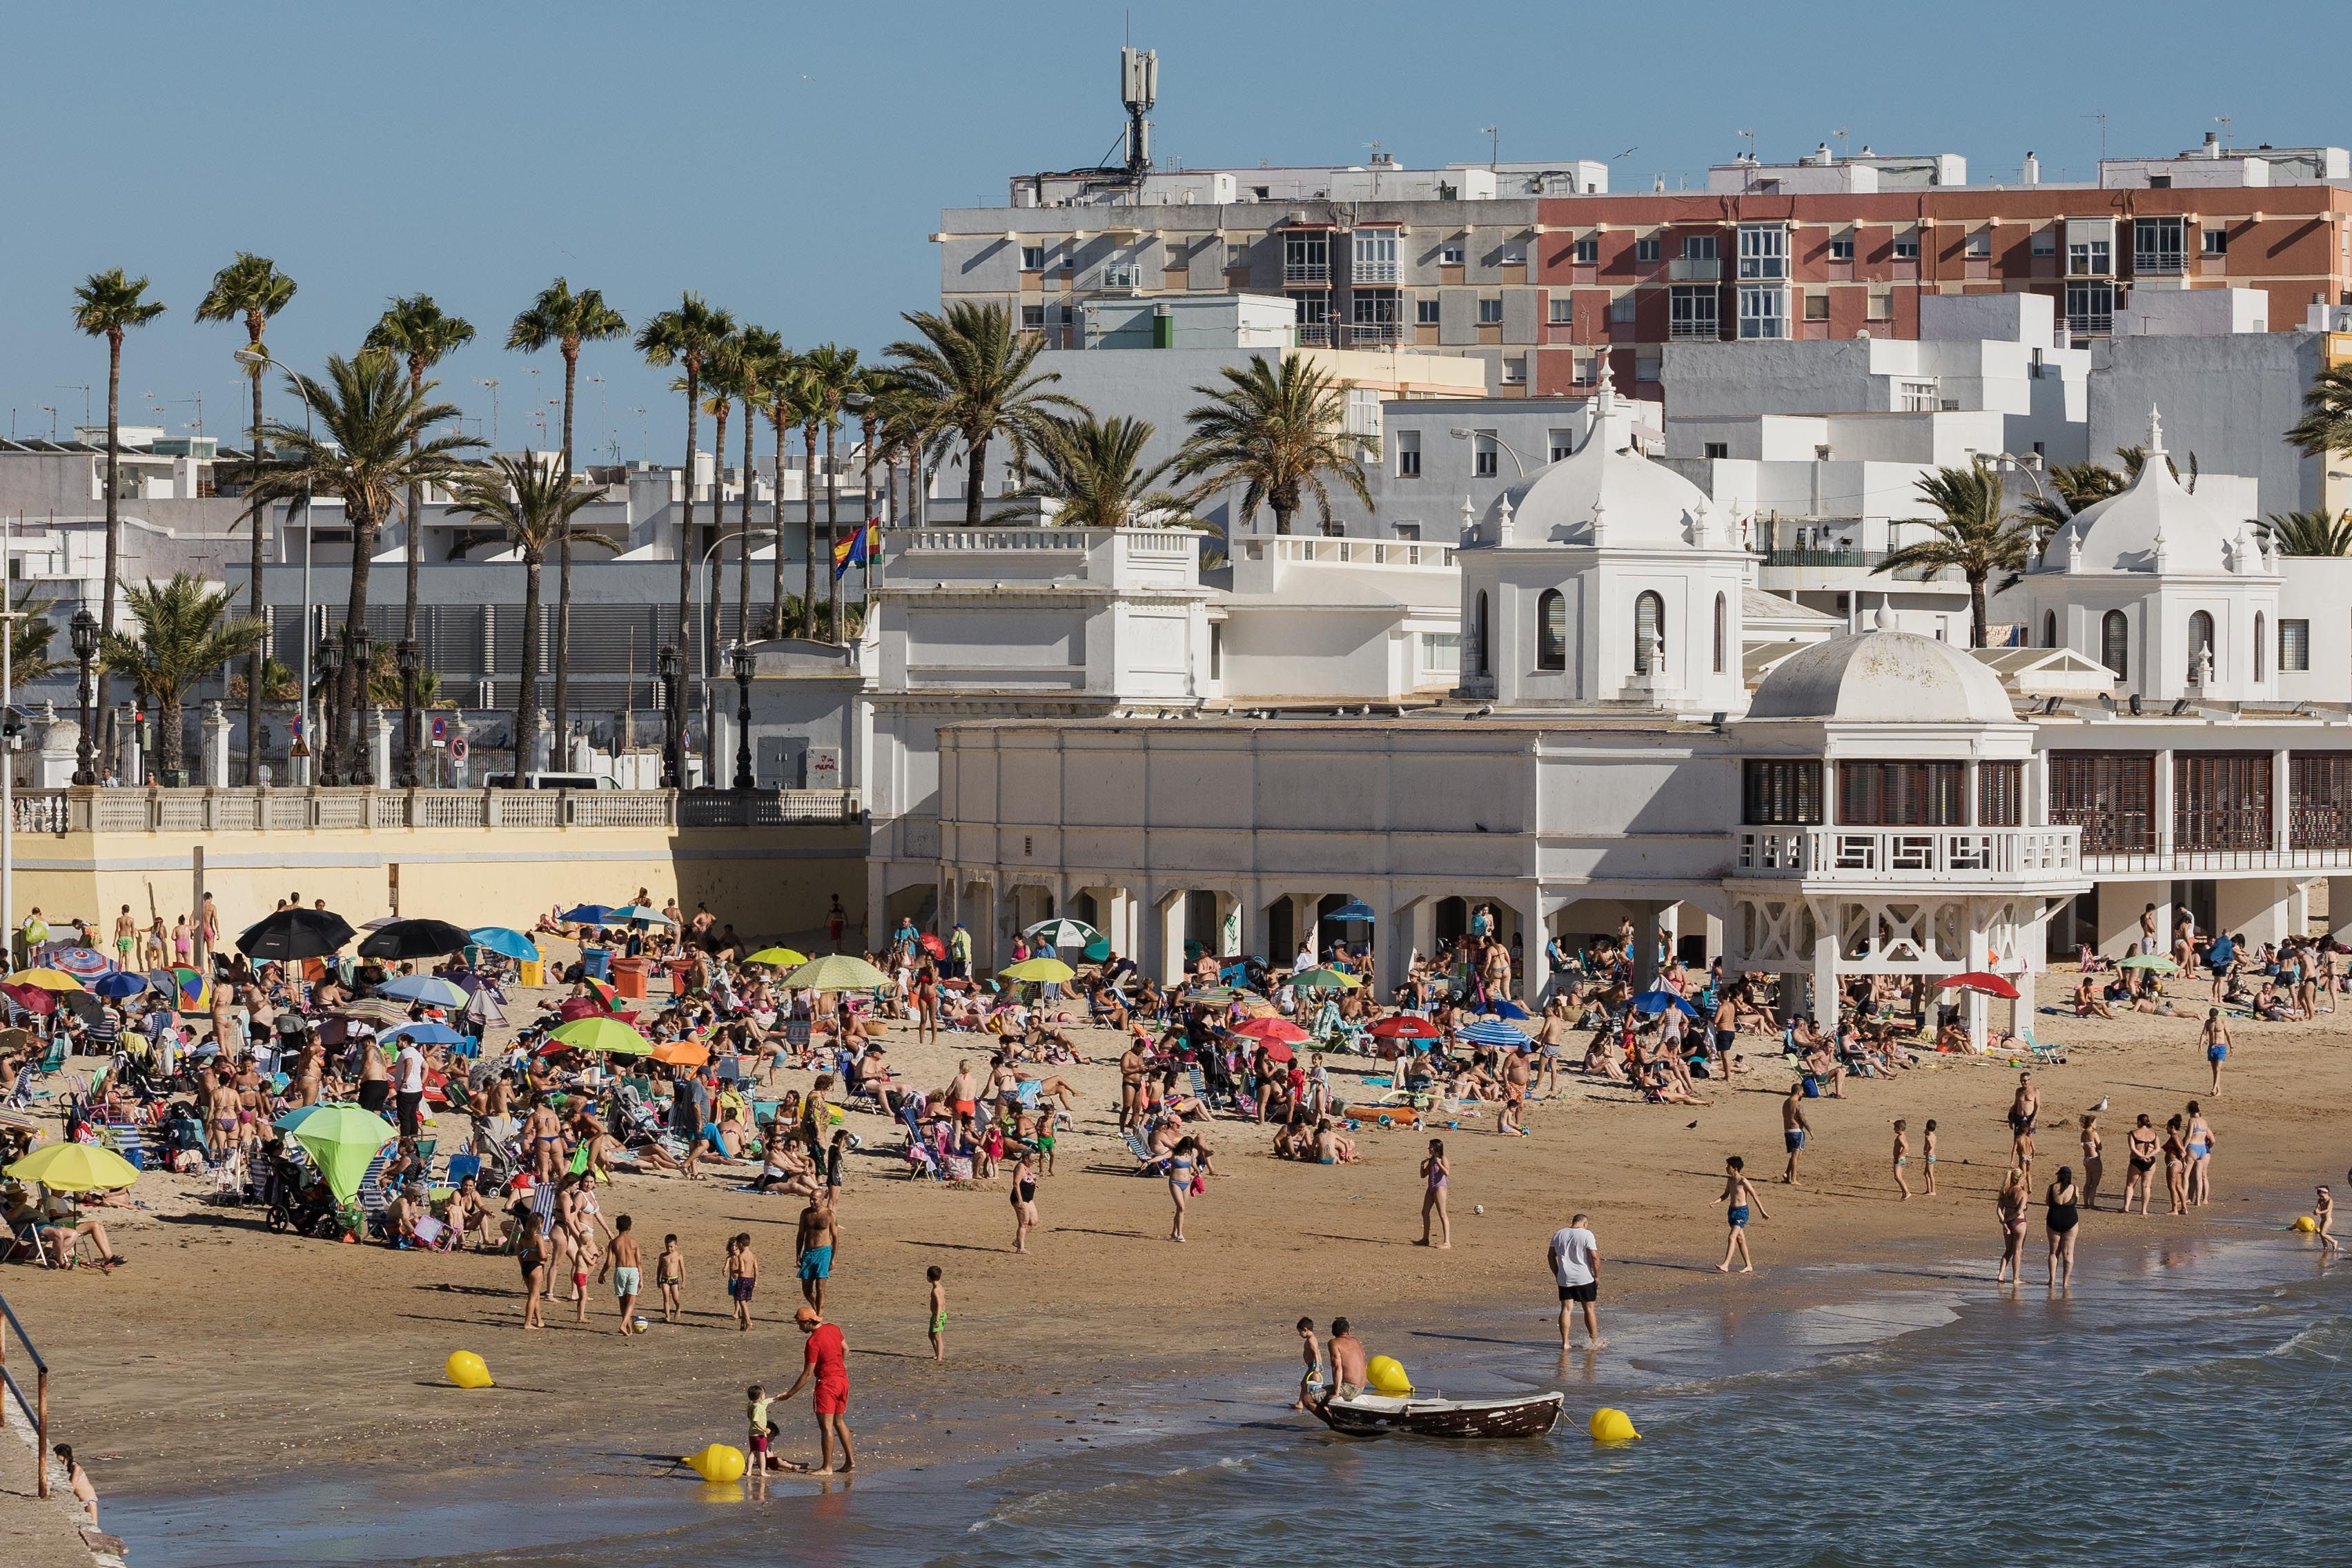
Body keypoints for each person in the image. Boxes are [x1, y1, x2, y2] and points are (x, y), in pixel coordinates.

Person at [781, 1304, 854, 1474]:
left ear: (808, 1322)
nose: (799, 1327)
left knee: (826, 1427)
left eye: (800, 1324)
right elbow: (846, 1349)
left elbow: (807, 1374)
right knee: (839, 1421)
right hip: (842, 1380)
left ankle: (827, 1467)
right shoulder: (833, 1328)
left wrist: (790, 1393)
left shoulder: (813, 1342)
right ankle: (850, 1461)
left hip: (827, 1385)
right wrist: (836, 1365)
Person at [1548, 1213, 1603, 1350]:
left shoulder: (1559, 1234)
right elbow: (1595, 1257)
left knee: (1566, 1309)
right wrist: (1597, 1276)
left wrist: (1557, 1273)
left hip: (1565, 1278)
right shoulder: (1587, 1234)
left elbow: (1550, 1256)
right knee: (1589, 1309)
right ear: (1585, 1224)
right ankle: (1594, 1341)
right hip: (1584, 1277)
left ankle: (1565, 1343)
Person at [1716, 1155, 1768, 1273]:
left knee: (1732, 1237)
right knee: (1740, 1239)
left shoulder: (1743, 1181)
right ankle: (1749, 1265)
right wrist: (1716, 1202)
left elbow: (1755, 1196)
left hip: (1742, 1212)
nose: (1726, 1168)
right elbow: (1725, 1195)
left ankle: (1726, 1264)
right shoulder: (1730, 1180)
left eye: (1728, 1166)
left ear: (1735, 1168)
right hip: (1731, 1212)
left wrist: (1762, 1211)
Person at [796, 1199, 838, 1312]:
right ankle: (816, 1309)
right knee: (806, 1289)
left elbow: (835, 1238)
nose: (812, 1201)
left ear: (822, 1200)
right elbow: (800, 1235)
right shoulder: (805, 1214)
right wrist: (798, 1255)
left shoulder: (829, 1215)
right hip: (808, 1252)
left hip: (824, 1252)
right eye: (810, 1199)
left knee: (820, 1288)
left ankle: (819, 1315)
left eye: (815, 1199)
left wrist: (833, 1259)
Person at [2045, 1164, 2082, 1288]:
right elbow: (2077, 1201)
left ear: (2059, 1176)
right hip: (2070, 1219)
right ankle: (2065, 1283)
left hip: (2054, 1218)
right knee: (2068, 1253)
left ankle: (2052, 1281)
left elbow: (2048, 1202)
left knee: (2053, 1252)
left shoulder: (2052, 1187)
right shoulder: (2075, 1188)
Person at [1995, 1167, 2030, 1286]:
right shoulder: (2022, 1193)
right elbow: (2019, 1211)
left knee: (2008, 1251)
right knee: (2018, 1251)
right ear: (2020, 1179)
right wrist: (2009, 1219)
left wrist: (2004, 1222)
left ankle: (2001, 1274)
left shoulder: (2005, 1191)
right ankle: (2016, 1278)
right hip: (2019, 1223)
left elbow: (1999, 1209)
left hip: (2007, 1224)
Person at [610, 1215, 643, 1335]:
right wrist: (642, 1279)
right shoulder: (634, 1242)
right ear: (630, 1227)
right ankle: (624, 1324)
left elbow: (609, 1262)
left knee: (622, 1301)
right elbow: (639, 1261)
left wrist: (602, 1274)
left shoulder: (614, 1242)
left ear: (617, 1227)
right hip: (633, 1270)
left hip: (620, 1270)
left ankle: (627, 1325)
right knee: (631, 1301)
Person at [1418, 1137, 1452, 1250]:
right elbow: (1423, 1176)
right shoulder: (1432, 1160)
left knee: (1442, 1214)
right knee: (1425, 1212)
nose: (1429, 1149)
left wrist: (1439, 1163)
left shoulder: (1443, 1158)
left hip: (1440, 1188)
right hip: (1430, 1188)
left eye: (1431, 1147)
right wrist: (1422, 1165)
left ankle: (1447, 1242)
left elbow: (1447, 1173)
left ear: (1436, 1148)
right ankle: (1425, 1238)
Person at [393, 1033, 427, 1140]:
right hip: (417, 1089)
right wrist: (421, 1082)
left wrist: (404, 1080)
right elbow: (426, 1067)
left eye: (398, 1042)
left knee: (404, 1117)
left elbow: (409, 1062)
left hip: (407, 1090)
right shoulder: (415, 1052)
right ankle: (414, 1138)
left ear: (404, 1042)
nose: (396, 1044)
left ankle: (405, 1139)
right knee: (412, 1115)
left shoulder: (406, 1052)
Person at [2124, 1114, 2160, 1215]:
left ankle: (2126, 1207)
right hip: (2150, 1162)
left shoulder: (2133, 1133)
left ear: (2139, 1122)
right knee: (2146, 1186)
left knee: (2130, 1185)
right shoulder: (2154, 1134)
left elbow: (2133, 1148)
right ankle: (2144, 1210)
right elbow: (2157, 1148)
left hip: (2136, 1160)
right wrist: (2148, 1156)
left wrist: (2142, 1156)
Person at [54, 1443, 95, 1529]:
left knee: (93, 1528)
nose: (60, 1464)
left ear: (68, 1458)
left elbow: (71, 1487)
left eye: (61, 1461)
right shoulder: (65, 1468)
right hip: (78, 1501)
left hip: (88, 1501)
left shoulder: (76, 1468)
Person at [1325, 1316, 1366, 1400]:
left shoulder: (1334, 1343)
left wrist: (1336, 1393)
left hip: (1349, 1388)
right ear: (1348, 1331)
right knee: (1326, 1400)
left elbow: (1337, 1368)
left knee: (1308, 1399)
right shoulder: (1356, 1341)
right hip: (1361, 1387)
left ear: (1333, 1332)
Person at [2185, 1101, 2216, 1207]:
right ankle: (2198, 1201)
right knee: (2199, 1176)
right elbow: (2211, 1139)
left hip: (2193, 1147)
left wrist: (2183, 1149)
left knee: (2186, 1175)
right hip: (2203, 1148)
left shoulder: (2192, 1121)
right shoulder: (2204, 1122)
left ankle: (2185, 1198)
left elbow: (2189, 1136)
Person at [2008, 1073, 2039, 1175]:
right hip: (2019, 1117)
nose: (2023, 1083)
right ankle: (2019, 1161)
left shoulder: (2035, 1091)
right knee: (2017, 1140)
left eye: (2025, 1081)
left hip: (2030, 1118)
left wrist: (2033, 1120)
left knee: (2028, 1140)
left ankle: (2028, 1160)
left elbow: (2038, 1106)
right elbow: (2016, 1104)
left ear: (2030, 1080)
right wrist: (2011, 1119)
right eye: (2021, 1081)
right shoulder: (2019, 1091)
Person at [1008, 1148, 1039, 1253]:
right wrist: (1020, 1200)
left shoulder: (1027, 1167)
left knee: (1034, 1222)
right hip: (1020, 1198)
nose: (1033, 1163)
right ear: (1026, 1159)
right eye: (1032, 1161)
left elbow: (1027, 1179)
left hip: (1029, 1198)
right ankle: (1020, 1248)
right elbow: (1016, 1183)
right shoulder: (1020, 1167)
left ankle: (1018, 1240)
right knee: (1024, 1223)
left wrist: (1033, 1183)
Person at [1781, 1083, 1810, 1185]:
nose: (1803, 1094)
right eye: (1802, 1092)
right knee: (1796, 1155)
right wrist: (1810, 1131)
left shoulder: (1786, 1103)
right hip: (1797, 1132)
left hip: (1787, 1131)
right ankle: (1793, 1179)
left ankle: (1787, 1173)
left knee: (1795, 1155)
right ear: (1799, 1092)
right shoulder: (1797, 1104)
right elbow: (1803, 1119)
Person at [2198, 1009, 2231, 1095]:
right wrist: (2200, 1046)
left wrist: (2232, 1047)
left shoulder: (2223, 1022)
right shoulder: (2208, 1022)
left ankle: (2214, 1088)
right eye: (2211, 1018)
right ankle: (2218, 1091)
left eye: (2214, 1018)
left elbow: (2228, 1035)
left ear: (2217, 1015)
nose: (2213, 1019)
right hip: (2211, 1047)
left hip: (2221, 1047)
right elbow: (2204, 1034)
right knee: (2214, 1070)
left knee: (2218, 1069)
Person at [656, 1233, 686, 1324]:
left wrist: (684, 1281)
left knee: (676, 1298)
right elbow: (659, 1268)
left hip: (674, 1280)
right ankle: (667, 1316)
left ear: (676, 1245)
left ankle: (678, 1308)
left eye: (671, 1247)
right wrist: (658, 1279)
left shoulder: (679, 1256)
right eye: (667, 1247)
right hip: (665, 1279)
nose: (669, 1249)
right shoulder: (662, 1256)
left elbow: (682, 1269)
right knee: (666, 1298)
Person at [2080, 1115, 2104, 1212]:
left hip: (2086, 1158)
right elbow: (2100, 1146)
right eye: (2095, 1122)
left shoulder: (2083, 1133)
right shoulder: (2093, 1133)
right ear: (2091, 1123)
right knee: (2095, 1183)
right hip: (2094, 1159)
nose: (2096, 1124)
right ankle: (2092, 1204)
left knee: (2088, 1182)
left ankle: (2086, 1203)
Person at [926, 1265, 947, 1362]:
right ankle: (937, 1353)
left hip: (939, 1315)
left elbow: (939, 1305)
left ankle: (939, 1357)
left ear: (929, 1278)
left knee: (938, 1336)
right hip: (936, 1315)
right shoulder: (939, 1287)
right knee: (931, 1335)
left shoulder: (936, 1290)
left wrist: (937, 1319)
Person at [1892, 1119, 1912, 1201]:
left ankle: (1907, 1192)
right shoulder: (1903, 1136)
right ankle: (1904, 1193)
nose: (1894, 1129)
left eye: (1895, 1128)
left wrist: (1900, 1157)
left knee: (1898, 1177)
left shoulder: (1900, 1137)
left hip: (1900, 1159)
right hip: (1902, 1159)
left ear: (1899, 1128)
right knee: (1898, 1177)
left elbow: (1906, 1148)